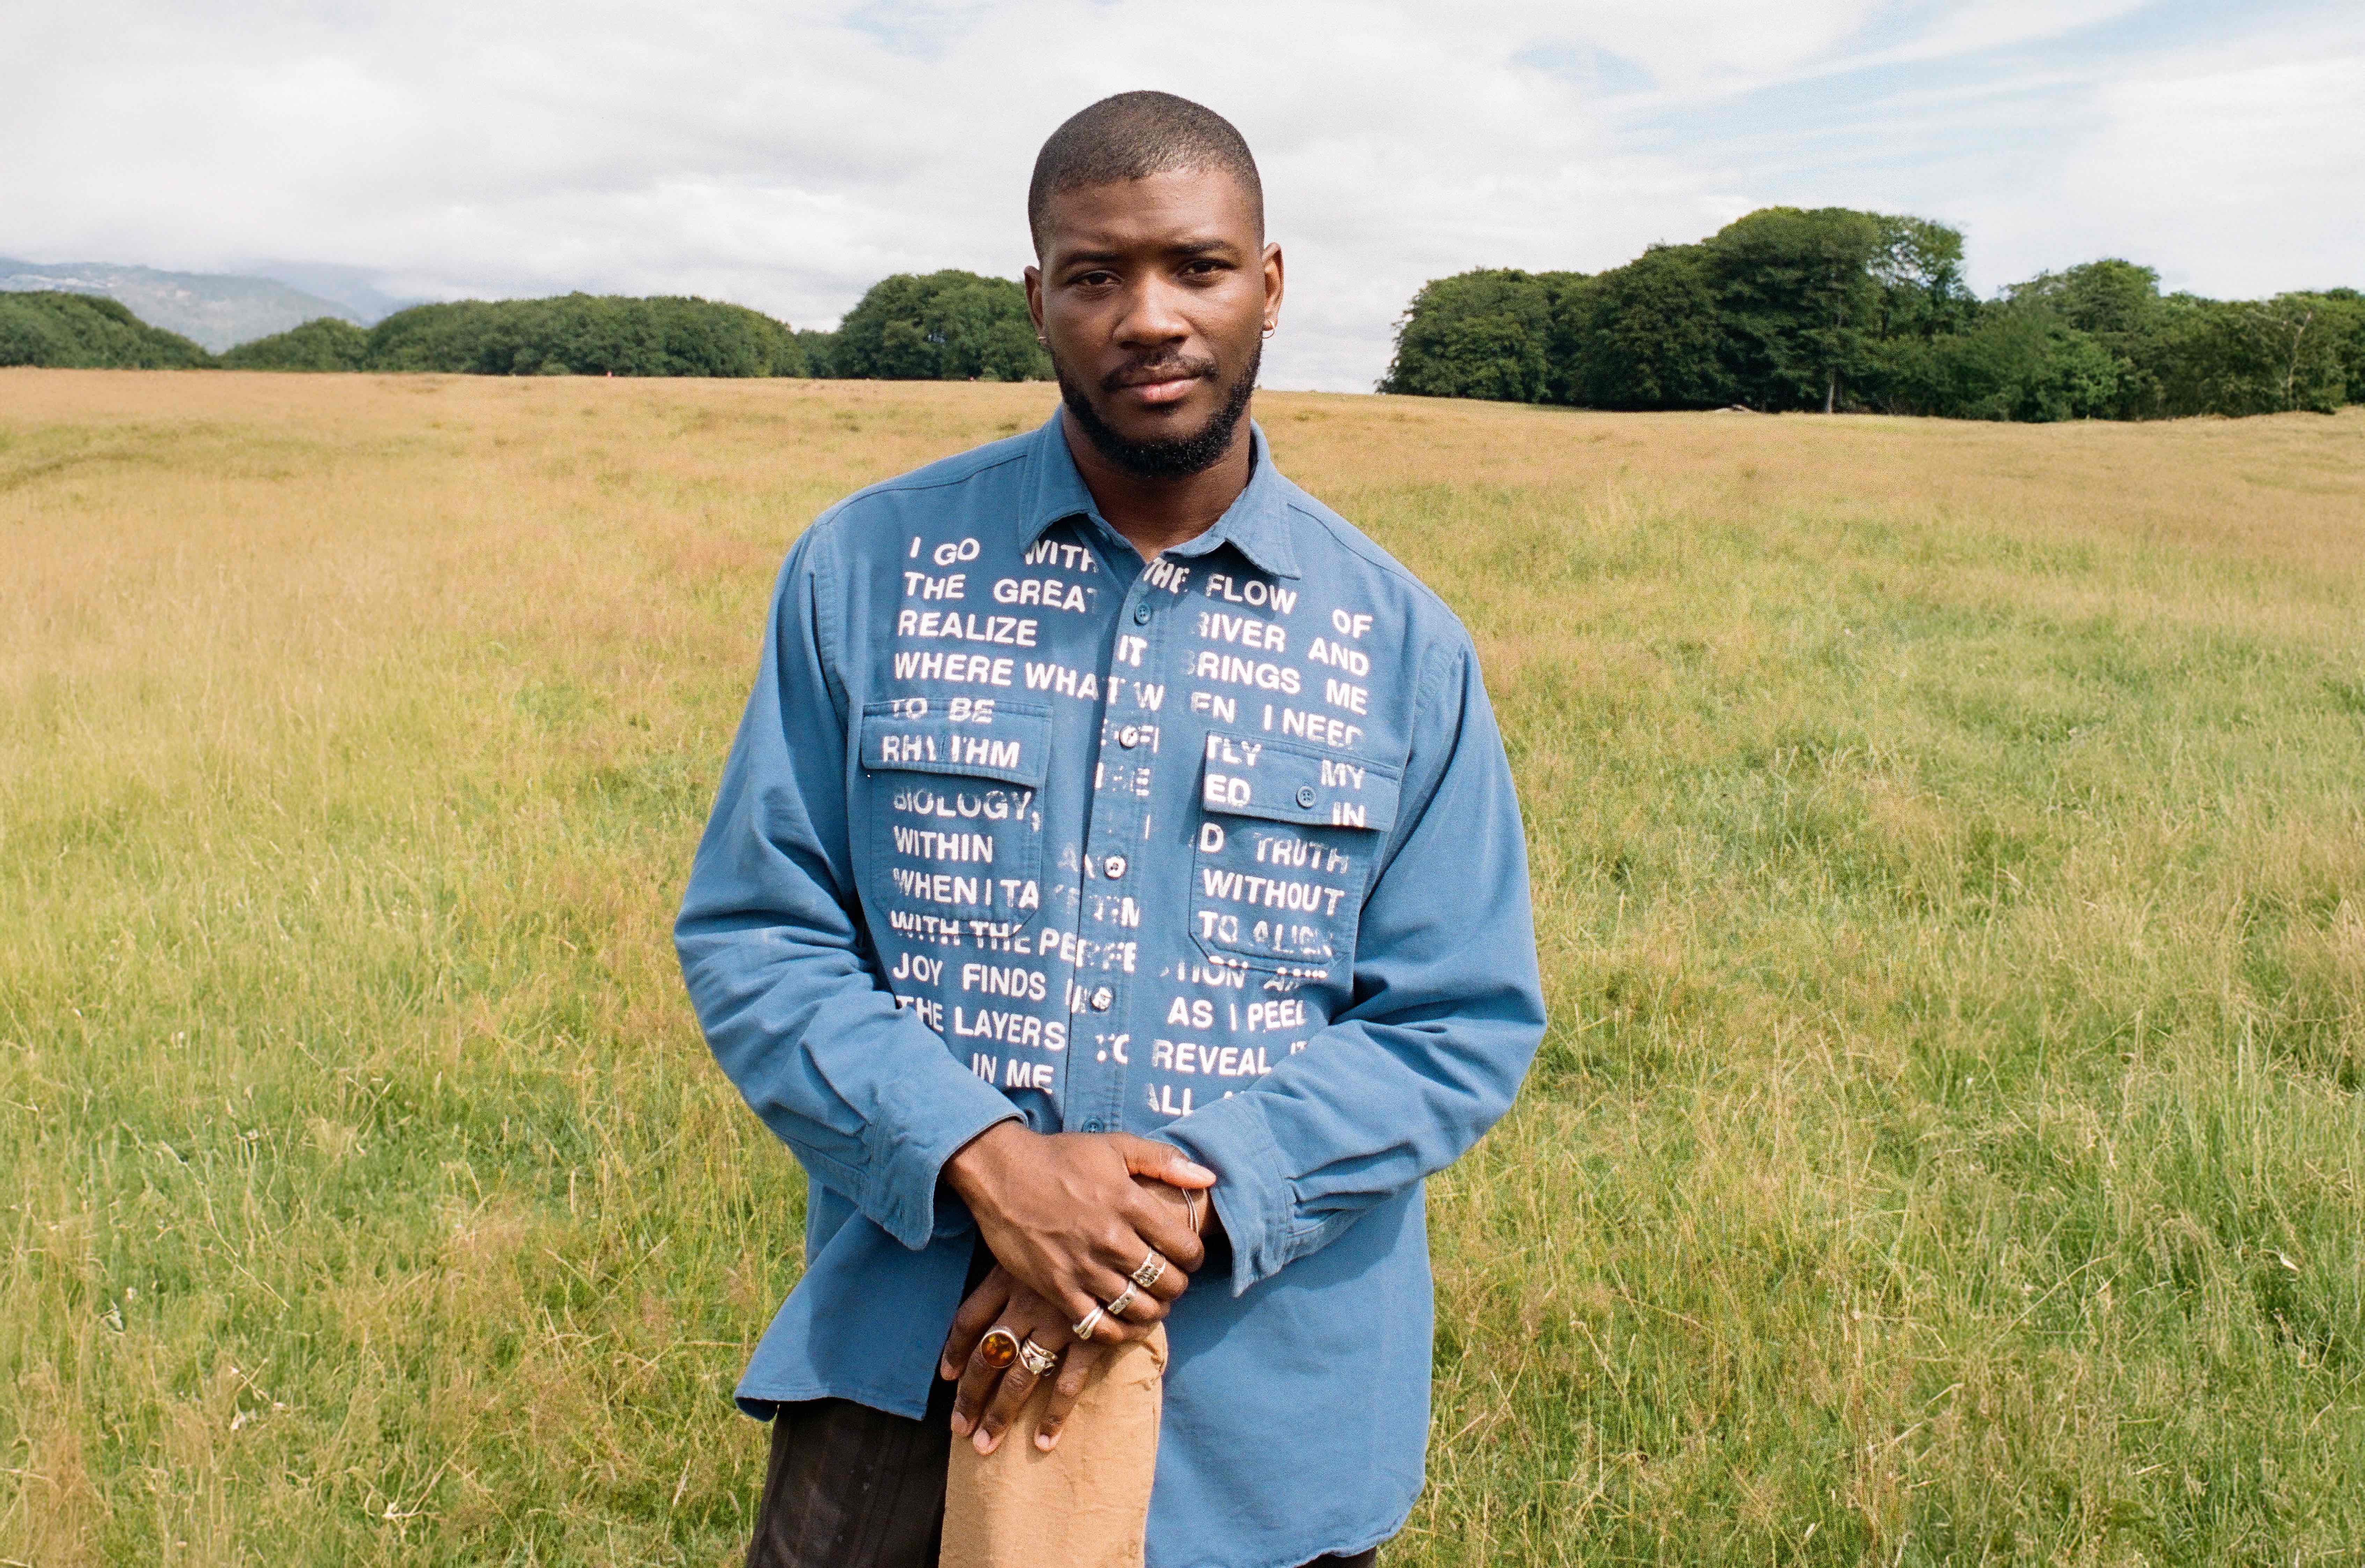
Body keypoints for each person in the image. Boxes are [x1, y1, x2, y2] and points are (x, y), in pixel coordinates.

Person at [676, 89, 1545, 1568]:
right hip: (910, 1369)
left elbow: (1456, 1017)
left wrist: (1163, 1216)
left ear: (1269, 283)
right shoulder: (868, 572)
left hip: (1261, 1411)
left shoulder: (1398, 644)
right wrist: (990, 1164)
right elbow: (761, 934)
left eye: (1197, 266)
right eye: (1094, 275)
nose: (1149, 317)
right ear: (1037, 300)